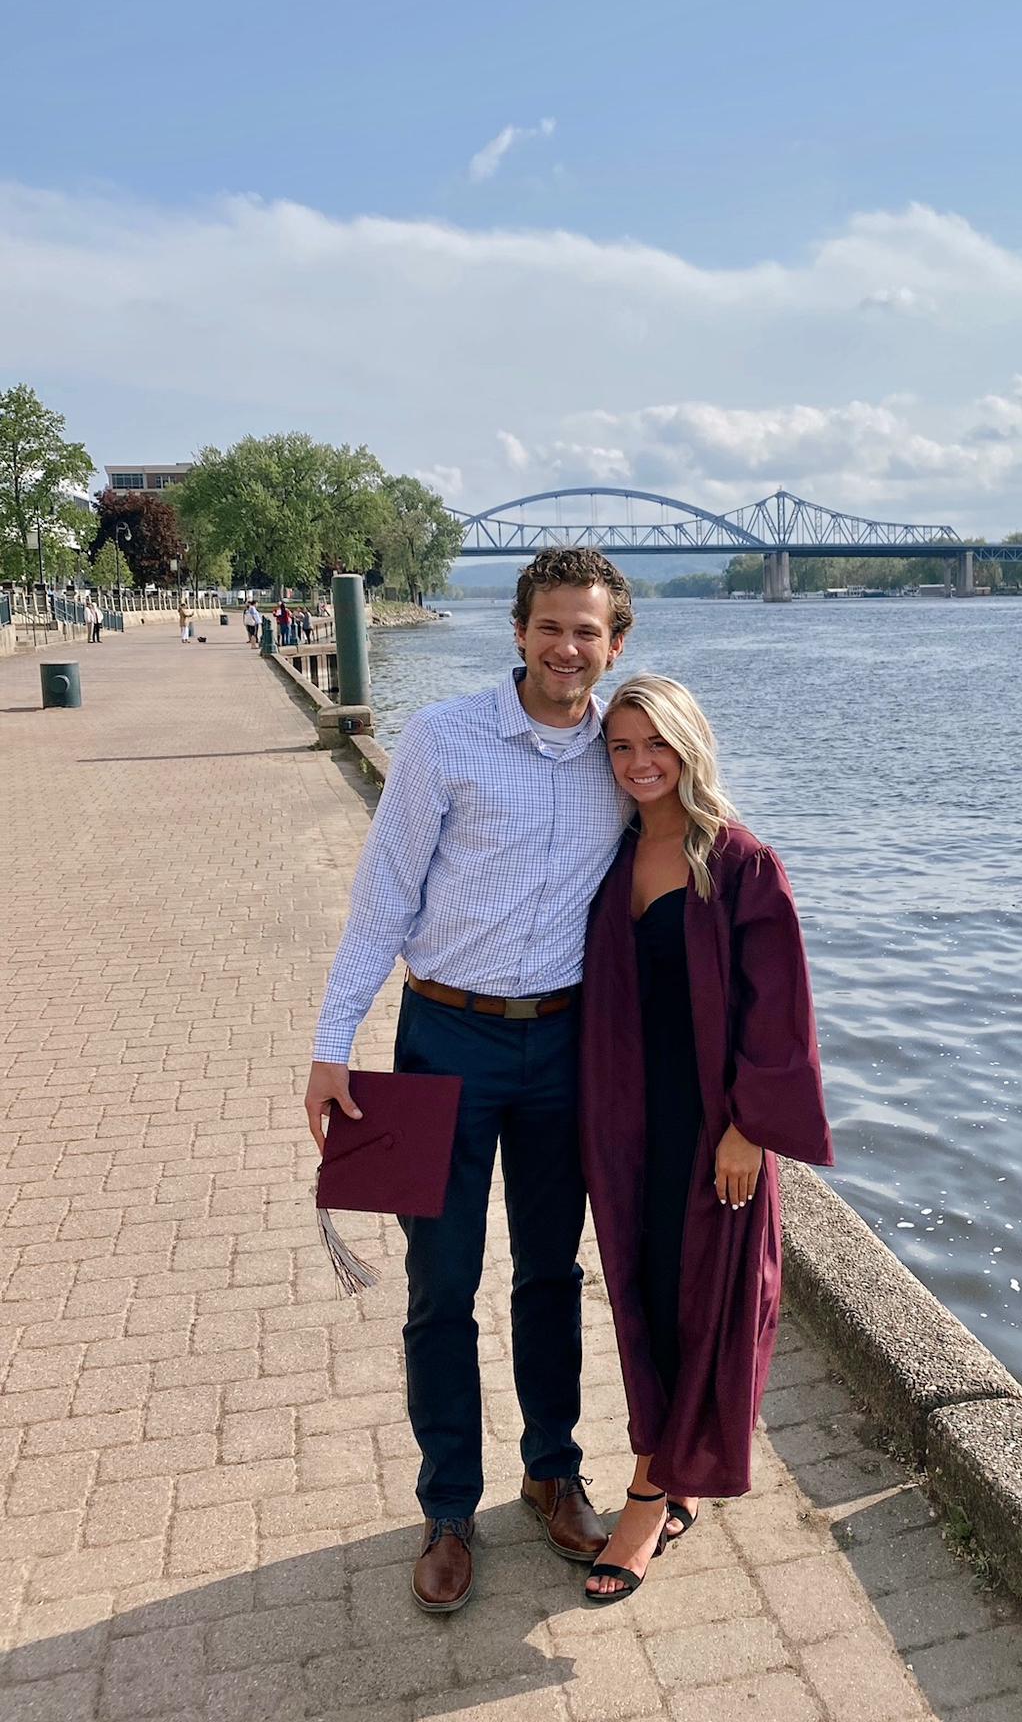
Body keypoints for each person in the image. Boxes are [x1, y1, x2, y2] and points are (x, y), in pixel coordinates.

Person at [304, 547, 635, 1615]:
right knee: (441, 1281)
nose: (567, 648)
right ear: (519, 629)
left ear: (616, 643)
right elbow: (382, 899)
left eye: (589, 631)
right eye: (551, 626)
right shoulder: (445, 739)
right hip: (444, 1036)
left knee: (550, 1270)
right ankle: (449, 1502)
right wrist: (331, 1042)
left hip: (566, 1045)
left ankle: (552, 1466)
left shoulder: (624, 758)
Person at [579, 675, 833, 1606]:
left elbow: (781, 1013)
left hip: (710, 1132)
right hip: (627, 1126)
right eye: (621, 747)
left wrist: (748, 1132)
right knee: (645, 1297)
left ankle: (649, 1495)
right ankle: (670, 1471)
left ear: (691, 745)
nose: (640, 764)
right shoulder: (610, 855)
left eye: (658, 745)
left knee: (708, 1309)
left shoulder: (739, 864)